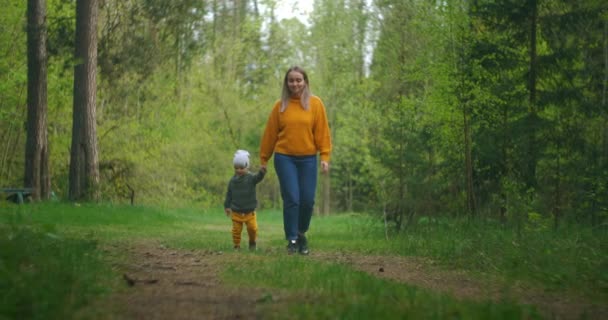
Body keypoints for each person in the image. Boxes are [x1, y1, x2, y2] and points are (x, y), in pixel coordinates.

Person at [259, 66, 332, 255]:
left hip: (308, 159)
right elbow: (270, 134)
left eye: (298, 80)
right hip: (285, 158)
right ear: (287, 83)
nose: (295, 84)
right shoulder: (280, 106)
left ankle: (301, 233)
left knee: (307, 200)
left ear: (305, 82)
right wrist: (264, 158)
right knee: (292, 198)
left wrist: (324, 156)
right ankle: (291, 239)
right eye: (291, 80)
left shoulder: (316, 104)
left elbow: (322, 133)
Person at [223, 149, 266, 250]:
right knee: (236, 231)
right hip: (236, 211)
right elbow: (229, 194)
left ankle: (252, 242)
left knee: (252, 229)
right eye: (236, 168)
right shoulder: (232, 181)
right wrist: (227, 206)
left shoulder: (251, 178)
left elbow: (258, 177)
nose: (238, 170)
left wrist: (262, 171)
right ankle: (236, 246)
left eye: (241, 168)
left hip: (249, 212)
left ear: (247, 166)